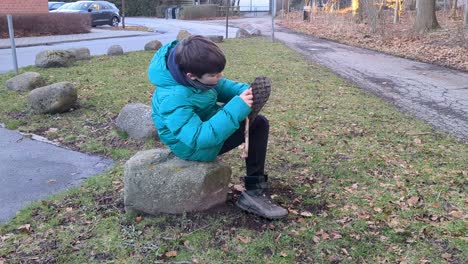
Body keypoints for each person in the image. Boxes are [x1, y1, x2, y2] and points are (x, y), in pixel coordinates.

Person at [147, 35, 287, 219]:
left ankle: (254, 190)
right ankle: (253, 194)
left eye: (220, 72)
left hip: (205, 123)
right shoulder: (172, 97)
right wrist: (237, 107)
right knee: (258, 125)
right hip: (192, 146)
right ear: (191, 76)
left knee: (257, 122)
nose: (219, 77)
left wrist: (245, 92)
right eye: (214, 75)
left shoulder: (195, 71)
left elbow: (220, 86)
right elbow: (198, 138)